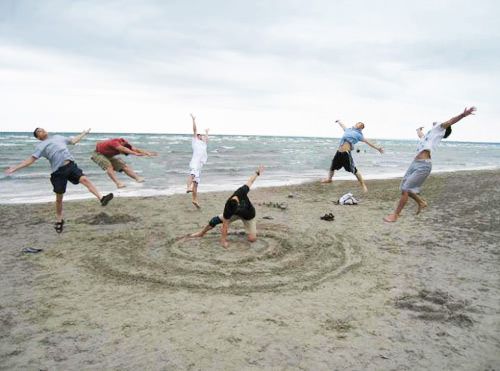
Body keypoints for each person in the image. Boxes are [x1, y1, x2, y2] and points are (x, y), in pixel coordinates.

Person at [5, 128, 114, 233]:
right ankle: (59, 219)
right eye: (39, 131)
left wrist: (84, 133)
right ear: (38, 137)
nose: (42, 131)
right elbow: (31, 160)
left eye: (42, 129)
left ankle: (101, 198)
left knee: (85, 179)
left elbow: (73, 141)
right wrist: (15, 168)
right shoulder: (41, 146)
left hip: (71, 165)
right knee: (59, 198)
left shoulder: (58, 137)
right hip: (58, 172)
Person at [384, 106, 476, 223]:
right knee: (404, 188)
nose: (436, 121)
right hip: (415, 163)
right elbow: (420, 135)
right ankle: (421, 203)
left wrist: (463, 114)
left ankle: (395, 215)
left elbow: (451, 121)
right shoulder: (429, 135)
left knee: (406, 189)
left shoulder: (439, 128)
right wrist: (418, 129)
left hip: (423, 165)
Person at [190, 166, 264, 248]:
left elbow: (250, 181)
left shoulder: (241, 191)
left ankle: (248, 231)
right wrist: (223, 241)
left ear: (238, 201)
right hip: (235, 214)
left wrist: (257, 173)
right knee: (214, 220)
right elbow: (225, 225)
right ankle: (201, 233)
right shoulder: (228, 207)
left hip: (249, 216)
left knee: (252, 239)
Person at [322, 120, 384, 192]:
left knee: (354, 170)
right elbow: (343, 126)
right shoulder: (348, 130)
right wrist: (339, 121)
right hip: (338, 152)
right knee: (332, 167)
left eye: (361, 125)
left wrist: (378, 148)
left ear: (361, 128)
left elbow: (368, 142)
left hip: (346, 153)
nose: (359, 125)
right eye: (359, 123)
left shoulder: (359, 135)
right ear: (356, 124)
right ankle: (329, 179)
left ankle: (363, 185)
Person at [91, 138, 157, 188]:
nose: (121, 154)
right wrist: (135, 154)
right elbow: (122, 148)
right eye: (122, 153)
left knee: (124, 166)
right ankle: (118, 183)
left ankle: (138, 178)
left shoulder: (126, 144)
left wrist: (147, 153)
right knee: (109, 166)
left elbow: (136, 149)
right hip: (98, 154)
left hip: (109, 155)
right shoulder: (114, 142)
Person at [186, 114, 209, 208]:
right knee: (192, 175)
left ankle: (194, 200)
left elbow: (207, 139)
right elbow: (194, 130)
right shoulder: (195, 141)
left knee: (196, 184)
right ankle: (188, 187)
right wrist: (193, 120)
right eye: (201, 135)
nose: (202, 136)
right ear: (198, 136)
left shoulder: (204, 144)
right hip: (194, 162)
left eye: (202, 135)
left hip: (200, 166)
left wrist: (207, 132)